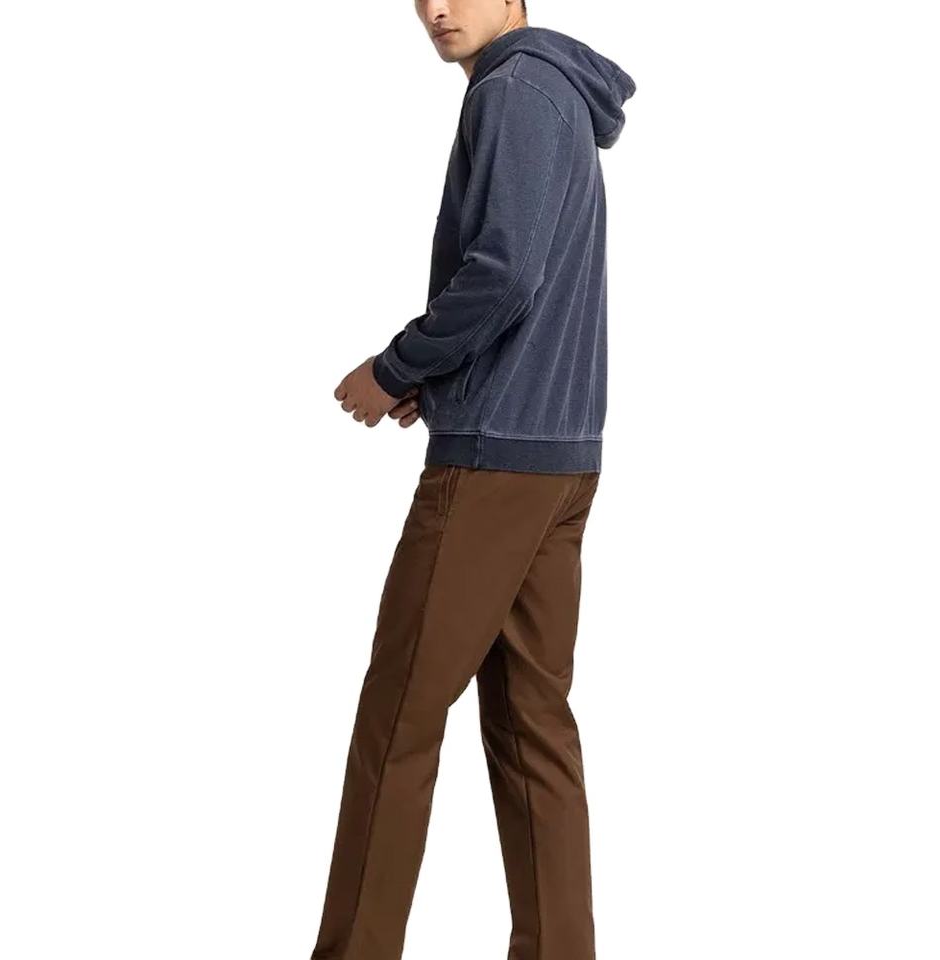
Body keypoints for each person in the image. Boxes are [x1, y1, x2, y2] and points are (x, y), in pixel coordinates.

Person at [319, 2, 635, 957]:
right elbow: (525, 284)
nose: (436, 8)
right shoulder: (556, 92)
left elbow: (504, 275)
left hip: (494, 463)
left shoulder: (516, 89)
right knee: (533, 727)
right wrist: (446, 377)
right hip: (557, 455)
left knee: (398, 722)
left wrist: (398, 367)